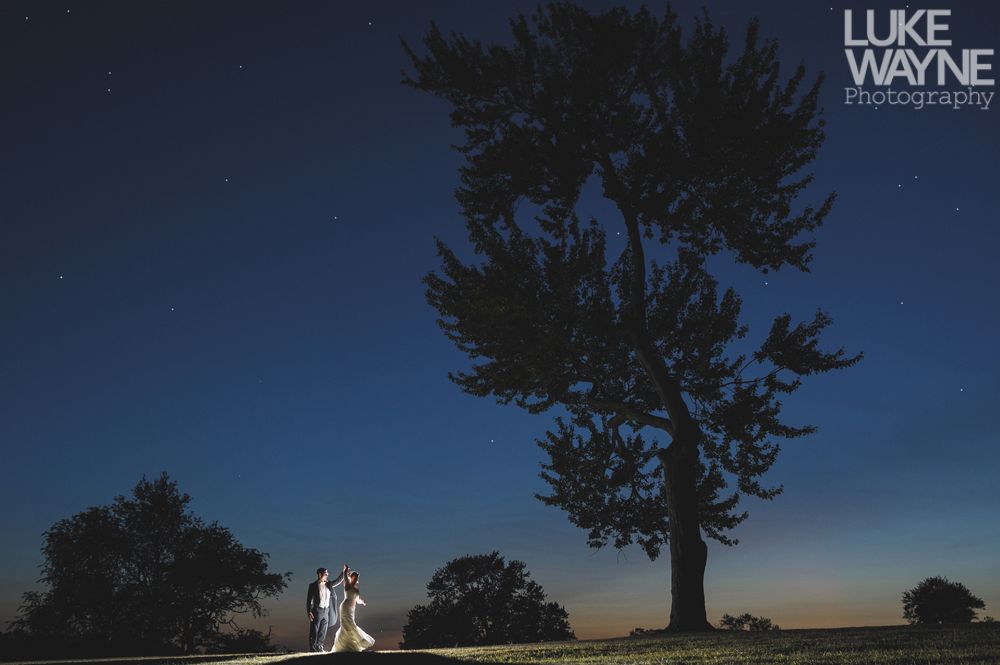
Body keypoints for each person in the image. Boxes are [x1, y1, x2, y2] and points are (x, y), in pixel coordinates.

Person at [333, 564, 375, 652]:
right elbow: (345, 576)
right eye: (354, 578)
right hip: (345, 607)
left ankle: (349, 644)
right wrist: (345, 570)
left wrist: (363, 602)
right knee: (348, 625)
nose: (355, 580)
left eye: (356, 578)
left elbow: (358, 599)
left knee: (350, 624)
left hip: (352, 609)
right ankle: (346, 645)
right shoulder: (347, 585)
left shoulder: (357, 589)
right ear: (351, 577)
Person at [306, 565, 345, 652]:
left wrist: (344, 572)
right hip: (317, 610)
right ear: (320, 575)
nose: (327, 575)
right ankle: (312, 648)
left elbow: (338, 580)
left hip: (326, 611)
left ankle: (319, 647)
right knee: (314, 630)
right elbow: (309, 600)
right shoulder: (312, 586)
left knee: (323, 630)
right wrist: (309, 612)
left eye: (327, 573)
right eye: (326, 574)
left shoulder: (329, 584)